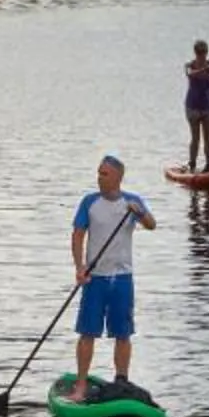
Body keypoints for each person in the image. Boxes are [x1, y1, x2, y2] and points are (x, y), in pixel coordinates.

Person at [70, 154, 157, 391]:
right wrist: (80, 267)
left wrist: (139, 212)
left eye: (104, 174)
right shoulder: (89, 202)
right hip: (94, 277)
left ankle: (121, 381)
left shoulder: (132, 201)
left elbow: (151, 224)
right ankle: (80, 384)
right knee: (87, 332)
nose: (99, 178)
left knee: (123, 332)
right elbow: (78, 235)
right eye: (98, 173)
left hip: (122, 278)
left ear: (118, 177)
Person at [180, 41, 209, 171]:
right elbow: (191, 74)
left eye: (204, 52)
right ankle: (192, 164)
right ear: (195, 53)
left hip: (208, 107)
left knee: (208, 139)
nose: (202, 55)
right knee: (195, 138)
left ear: (207, 52)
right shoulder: (189, 65)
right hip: (192, 107)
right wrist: (205, 69)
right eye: (199, 53)